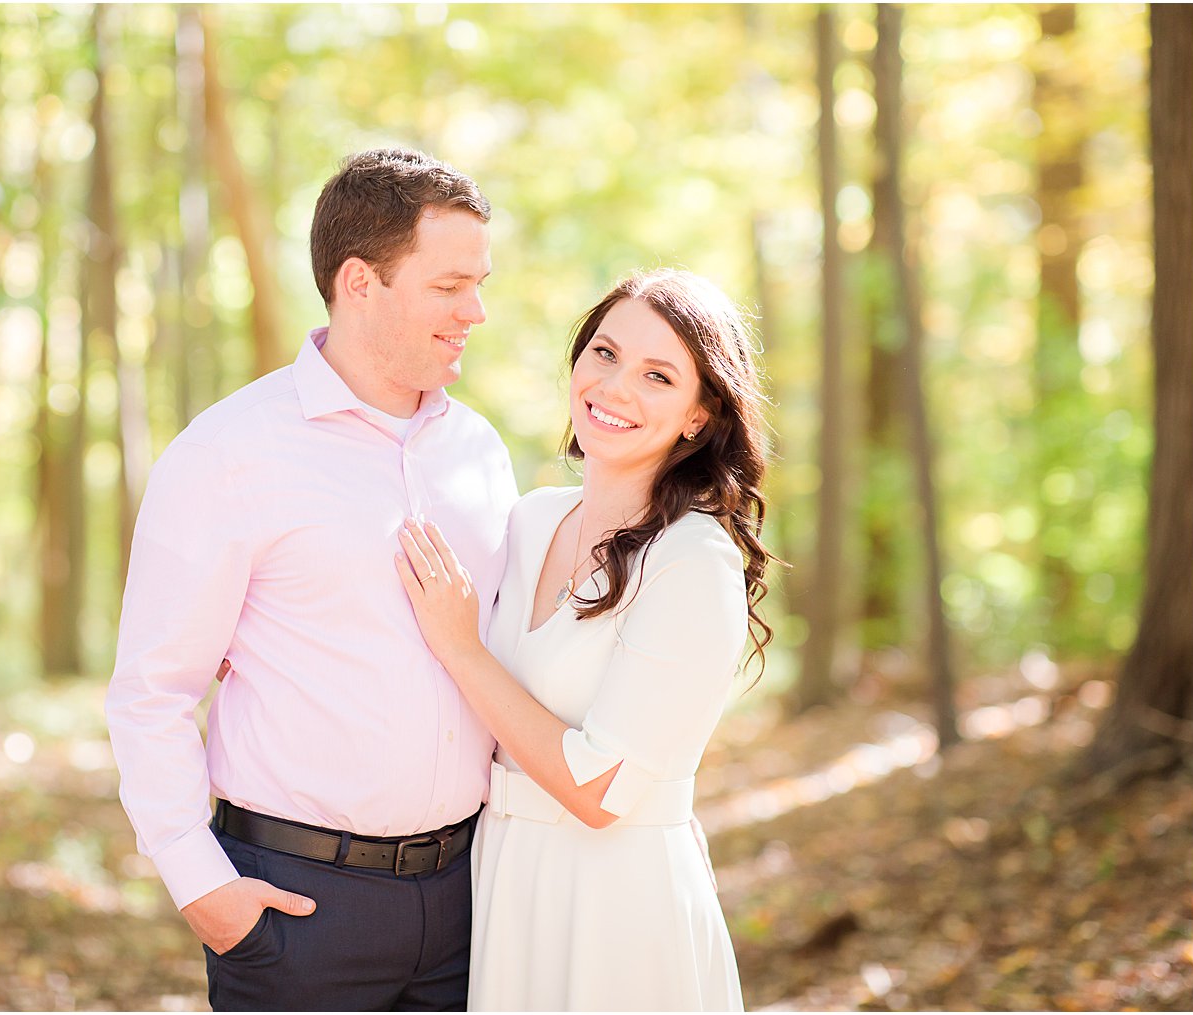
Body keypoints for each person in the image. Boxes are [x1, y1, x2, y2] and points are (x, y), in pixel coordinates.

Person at [105, 148, 518, 1011]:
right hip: (298, 909)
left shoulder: (478, 450)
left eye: (479, 283)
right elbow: (153, 688)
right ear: (359, 283)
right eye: (449, 287)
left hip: (472, 896)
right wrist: (201, 885)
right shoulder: (228, 453)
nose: (476, 311)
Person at [395, 268, 773, 1011]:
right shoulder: (532, 519)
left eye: (658, 375)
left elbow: (601, 791)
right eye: (605, 353)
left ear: (700, 415)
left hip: (617, 904)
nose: (615, 386)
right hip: (505, 880)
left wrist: (462, 646)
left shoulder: (692, 561)